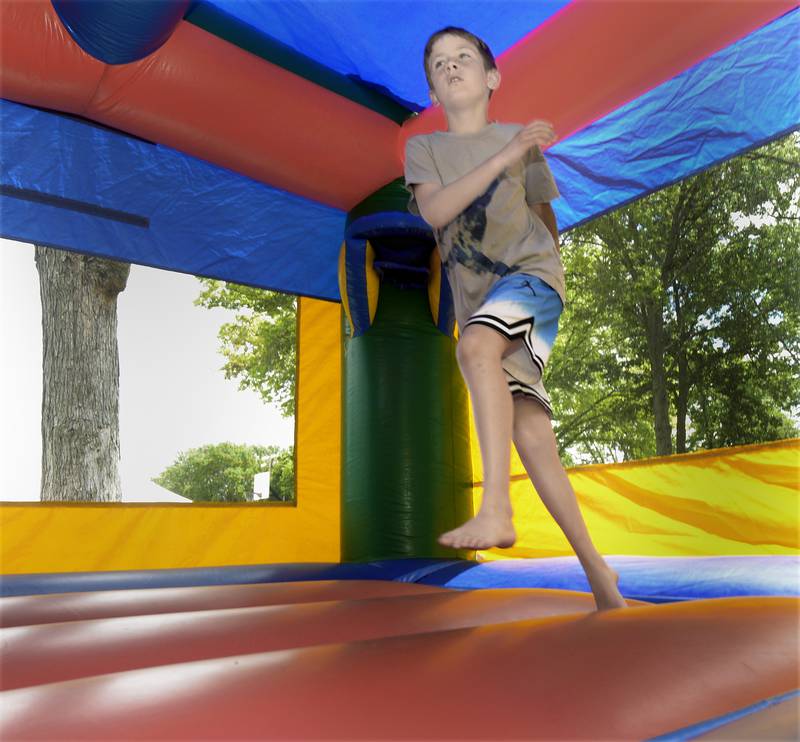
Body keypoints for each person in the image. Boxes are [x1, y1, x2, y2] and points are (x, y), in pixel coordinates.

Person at [403, 26, 628, 611]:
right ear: (432, 87)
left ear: (491, 77)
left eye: (464, 58)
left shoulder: (520, 142)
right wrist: (503, 156)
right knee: (532, 432)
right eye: (438, 64)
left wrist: (551, 284)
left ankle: (497, 507)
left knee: (473, 350)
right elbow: (436, 209)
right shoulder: (424, 150)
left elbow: (542, 214)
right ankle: (600, 574)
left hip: (529, 281)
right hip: (482, 303)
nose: (451, 67)